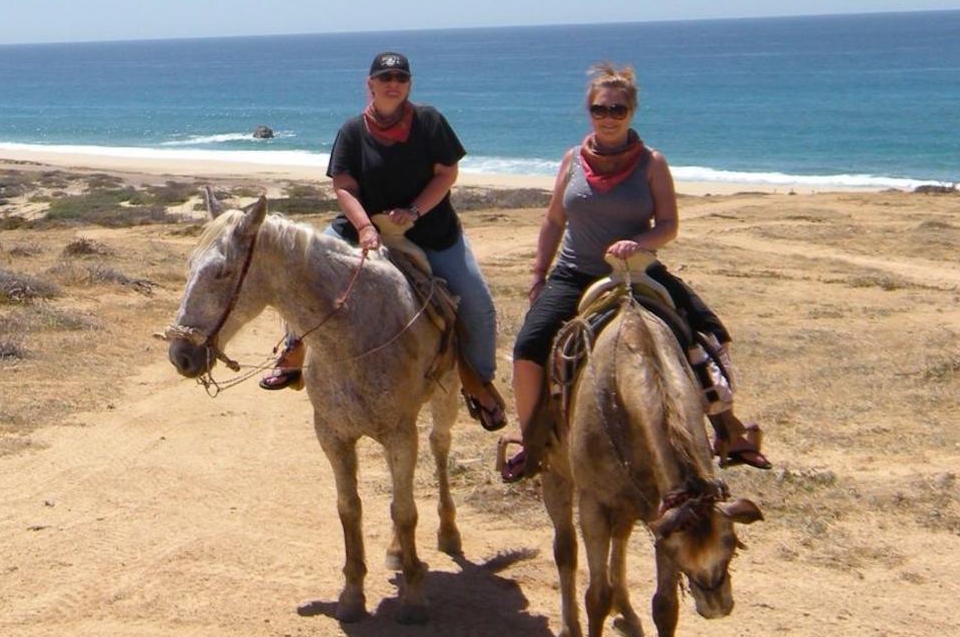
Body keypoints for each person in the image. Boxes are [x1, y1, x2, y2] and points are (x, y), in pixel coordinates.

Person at [499, 61, 769, 481]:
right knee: (528, 348)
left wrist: (639, 244)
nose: (608, 117)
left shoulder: (651, 163)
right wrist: (539, 274)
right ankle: (533, 441)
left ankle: (726, 430)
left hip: (635, 270)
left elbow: (669, 225)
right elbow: (554, 220)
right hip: (575, 272)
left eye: (617, 110)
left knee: (704, 333)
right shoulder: (571, 160)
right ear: (589, 112)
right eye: (600, 110)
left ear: (632, 112)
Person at [260, 50, 508, 429]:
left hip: (430, 231)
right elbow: (343, 186)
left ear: (408, 84)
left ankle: (478, 381)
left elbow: (447, 174)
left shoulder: (430, 121)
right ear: (370, 84)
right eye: (385, 78)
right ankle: (294, 353)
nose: (393, 85)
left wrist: (415, 211)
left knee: (477, 302)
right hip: (362, 228)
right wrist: (364, 227)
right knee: (305, 276)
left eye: (401, 79)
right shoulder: (352, 131)